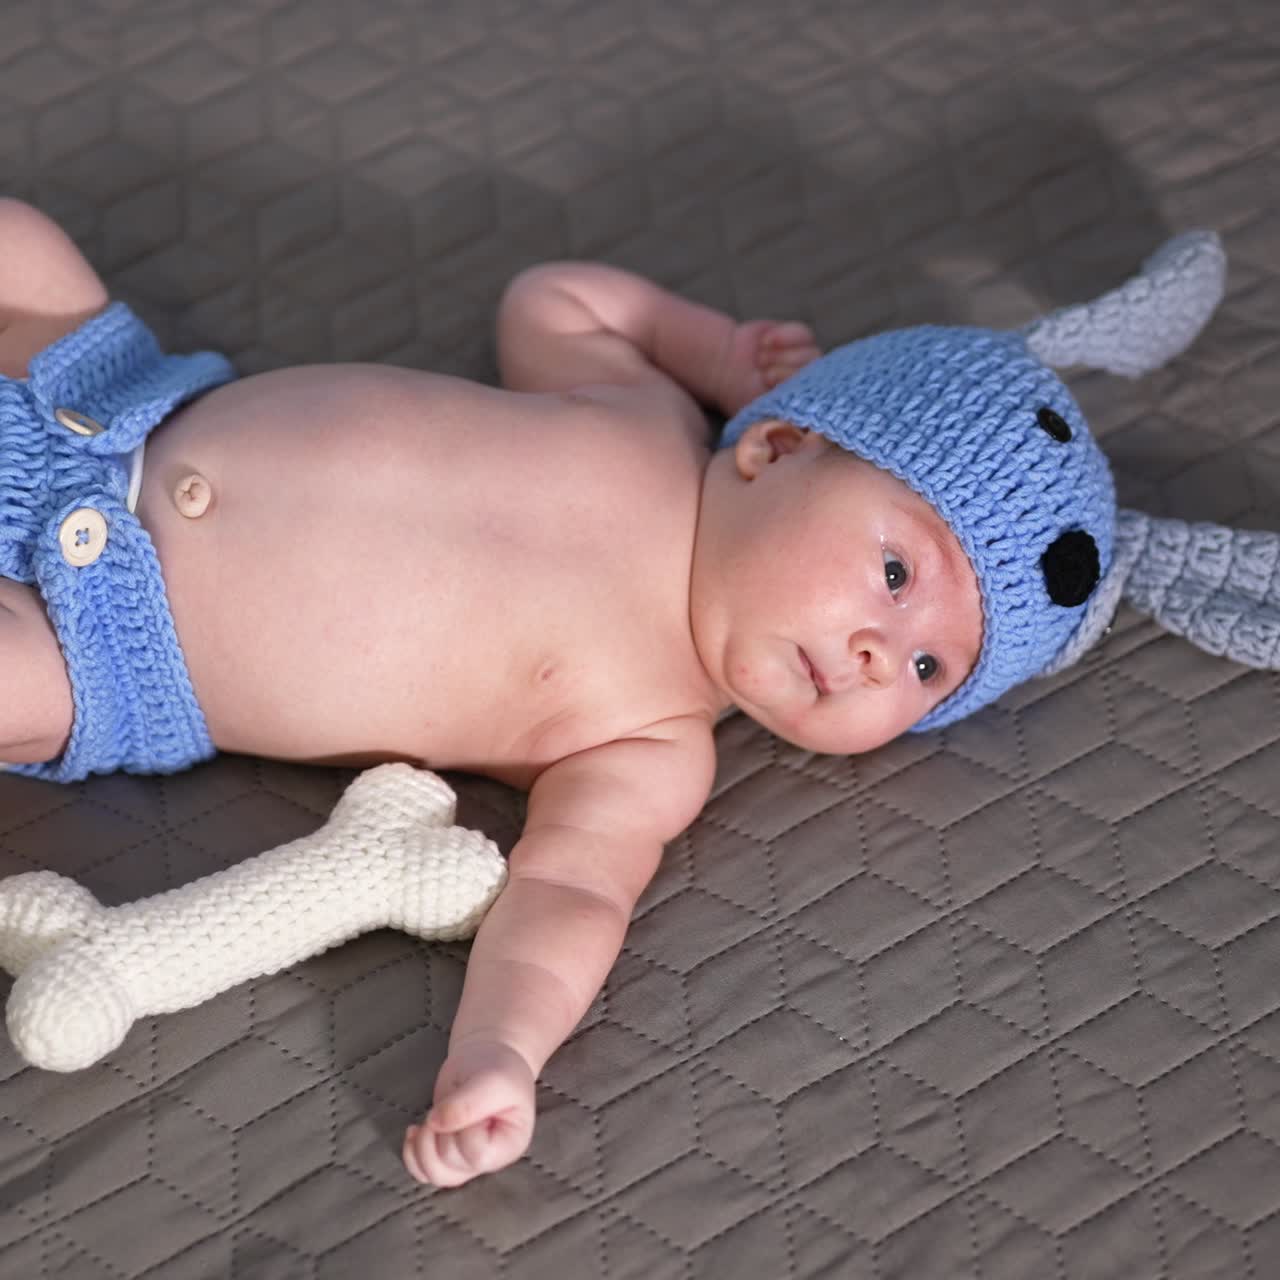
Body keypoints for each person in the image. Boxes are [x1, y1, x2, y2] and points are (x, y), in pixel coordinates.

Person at [2, 198, 1244, 1187]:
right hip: (114, 399)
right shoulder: (642, 412)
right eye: (894, 570)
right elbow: (553, 297)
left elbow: (567, 894)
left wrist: (503, 1050)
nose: (881, 650)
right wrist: (711, 348)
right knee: (24, 249)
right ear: (773, 444)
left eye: (929, 669)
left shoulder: (651, 743)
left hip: (103, 642)